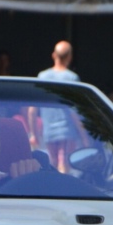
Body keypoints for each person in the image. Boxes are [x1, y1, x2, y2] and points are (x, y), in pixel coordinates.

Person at [35, 41, 82, 169]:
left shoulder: (42, 76)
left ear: (53, 55)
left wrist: (33, 133)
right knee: (64, 161)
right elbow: (74, 111)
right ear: (70, 57)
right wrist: (83, 135)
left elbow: (32, 109)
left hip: (48, 130)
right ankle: (62, 187)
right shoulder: (72, 78)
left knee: (52, 162)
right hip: (67, 131)